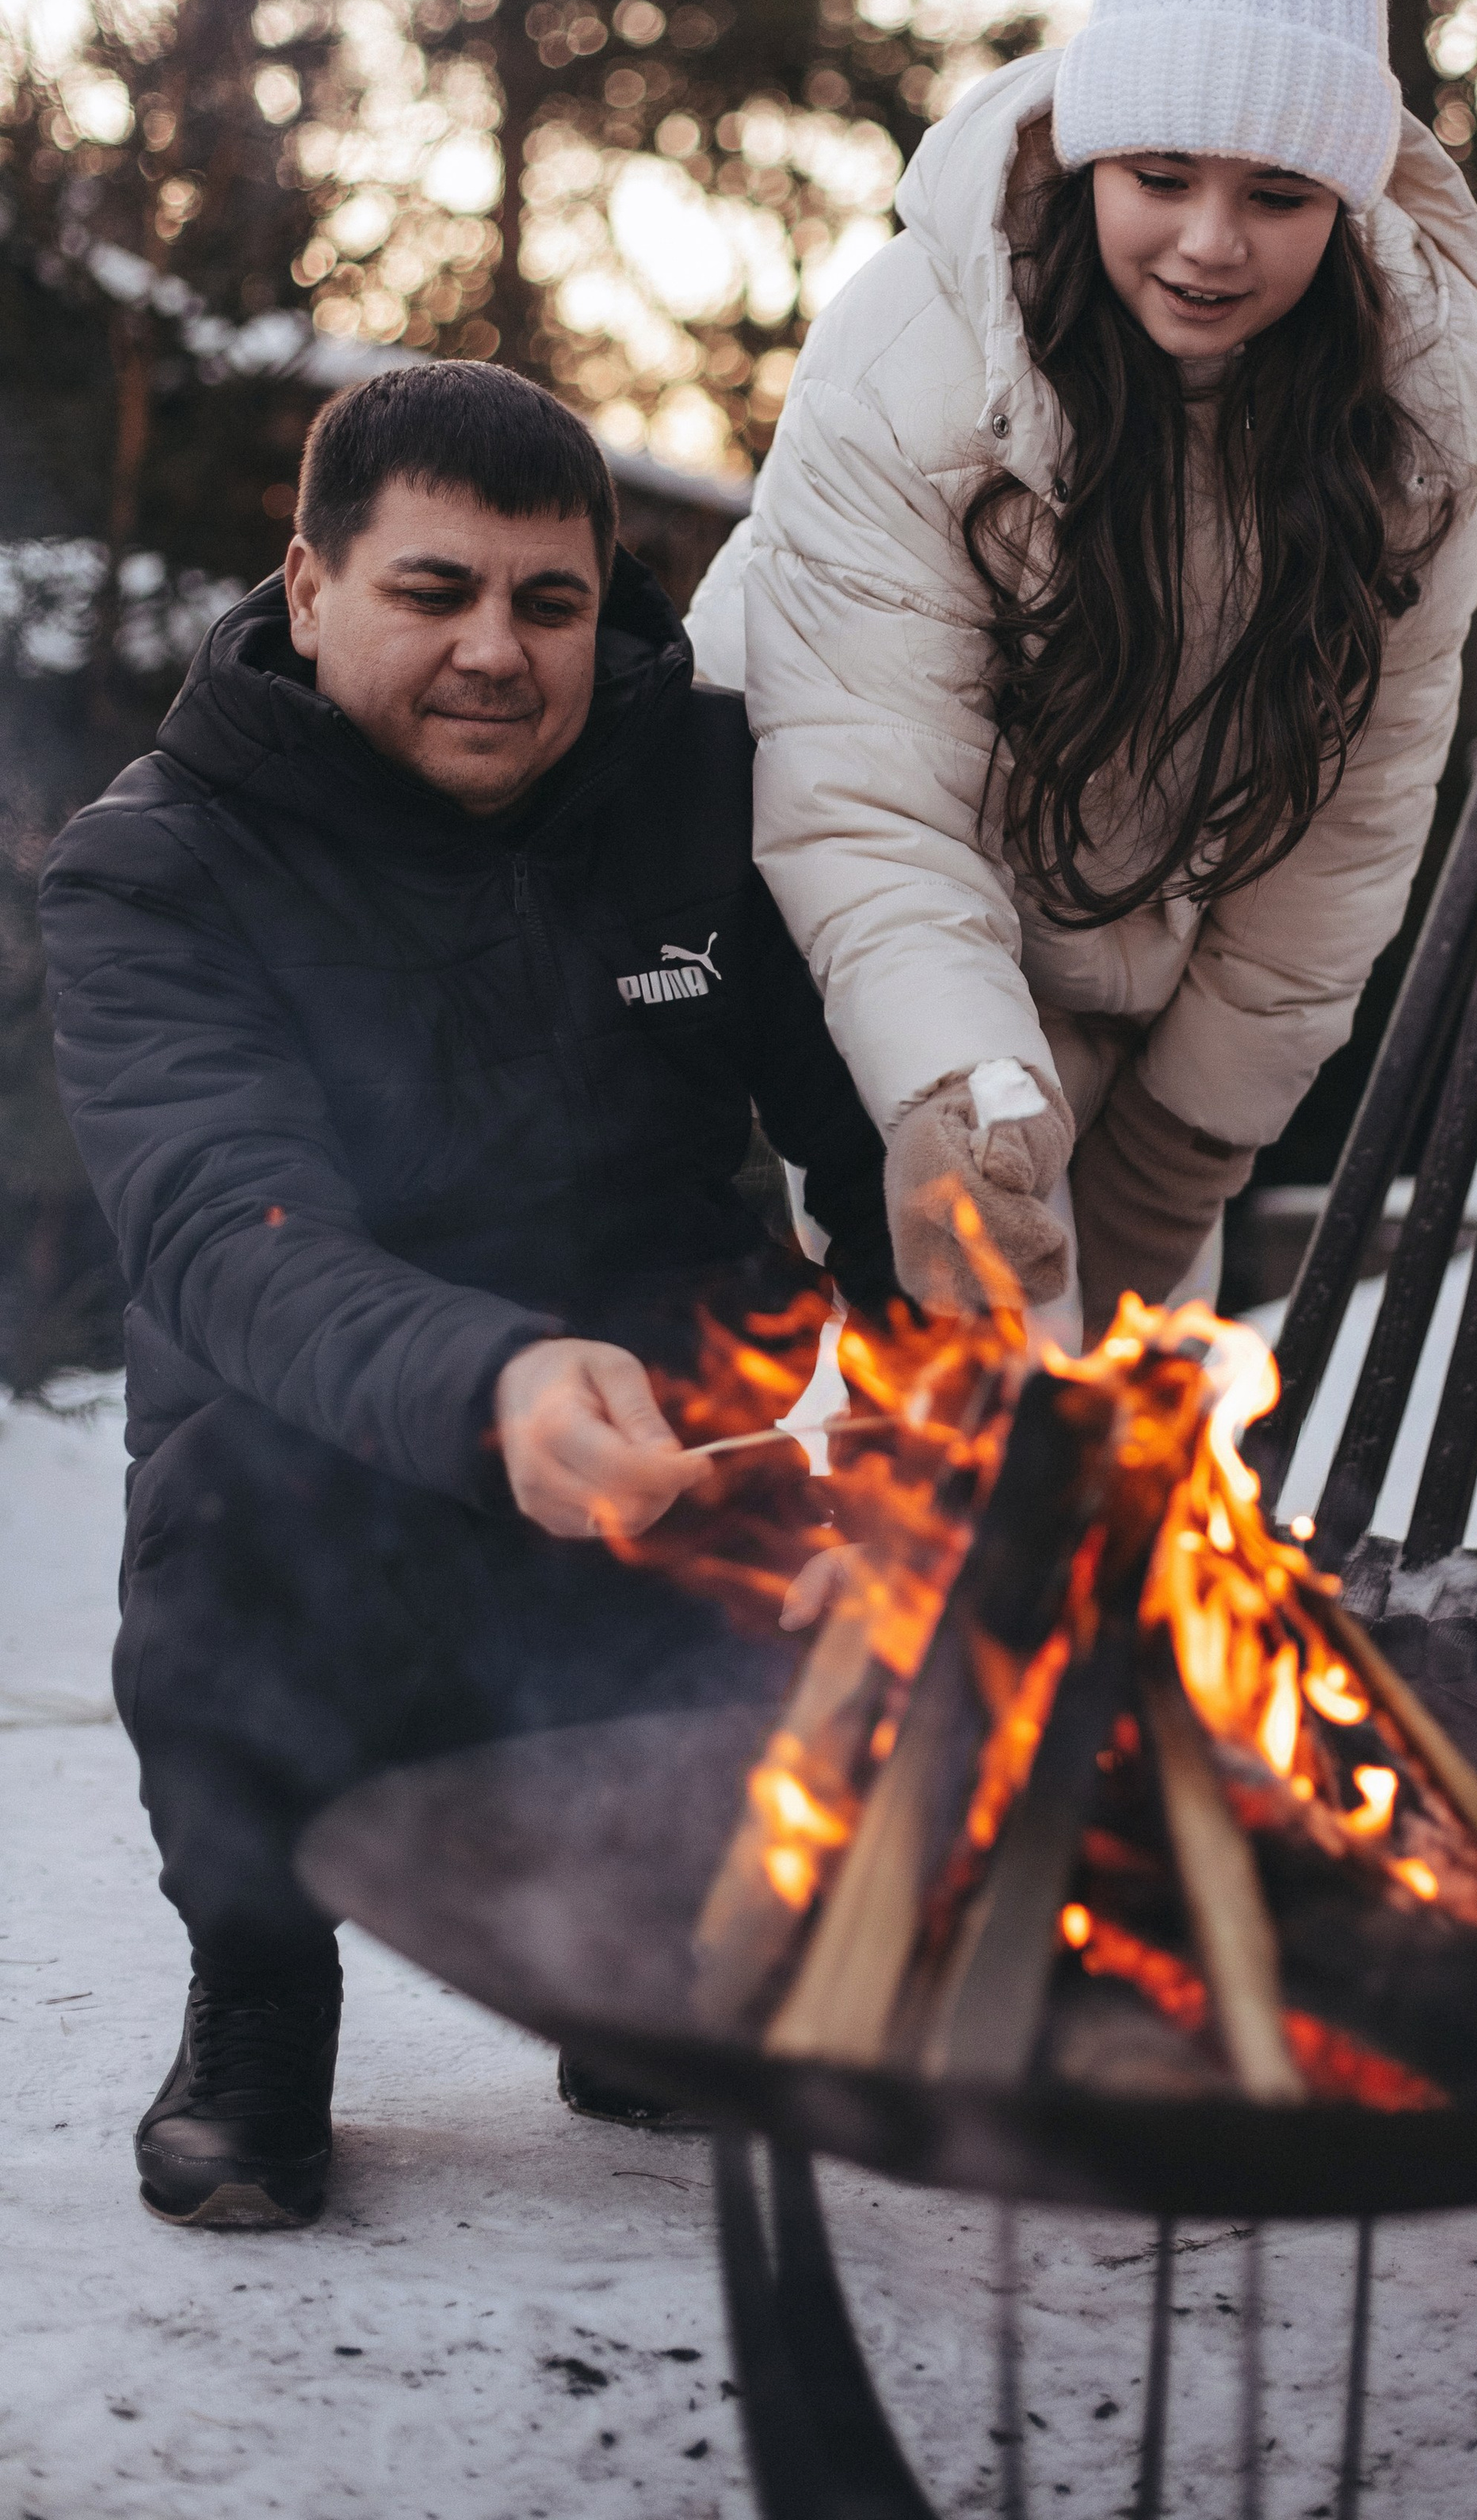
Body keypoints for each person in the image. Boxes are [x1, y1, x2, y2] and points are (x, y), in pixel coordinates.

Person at [38, 360, 896, 2229]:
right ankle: (260, 1986)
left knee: (829, 1565)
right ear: (309, 580)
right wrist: (490, 1380)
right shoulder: (154, 863)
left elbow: (872, 1131)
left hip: (681, 1397)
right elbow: (217, 1218)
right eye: (436, 590)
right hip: (326, 1409)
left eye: (549, 600)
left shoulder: (712, 785)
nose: (496, 651)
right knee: (228, 1513)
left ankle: (636, 1952)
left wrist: (948, 1401)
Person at [685, 0, 1477, 1340]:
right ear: (1086, 152)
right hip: (844, 926)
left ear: (1341, 208)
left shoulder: (1409, 432)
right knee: (964, 1412)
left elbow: (1348, 826)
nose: (1210, 244)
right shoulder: (911, 358)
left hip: (1131, 961)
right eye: (1159, 174)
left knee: (1126, 1441)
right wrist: (958, 1101)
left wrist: (1183, 1146)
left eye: (1275, 197)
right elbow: (862, 791)